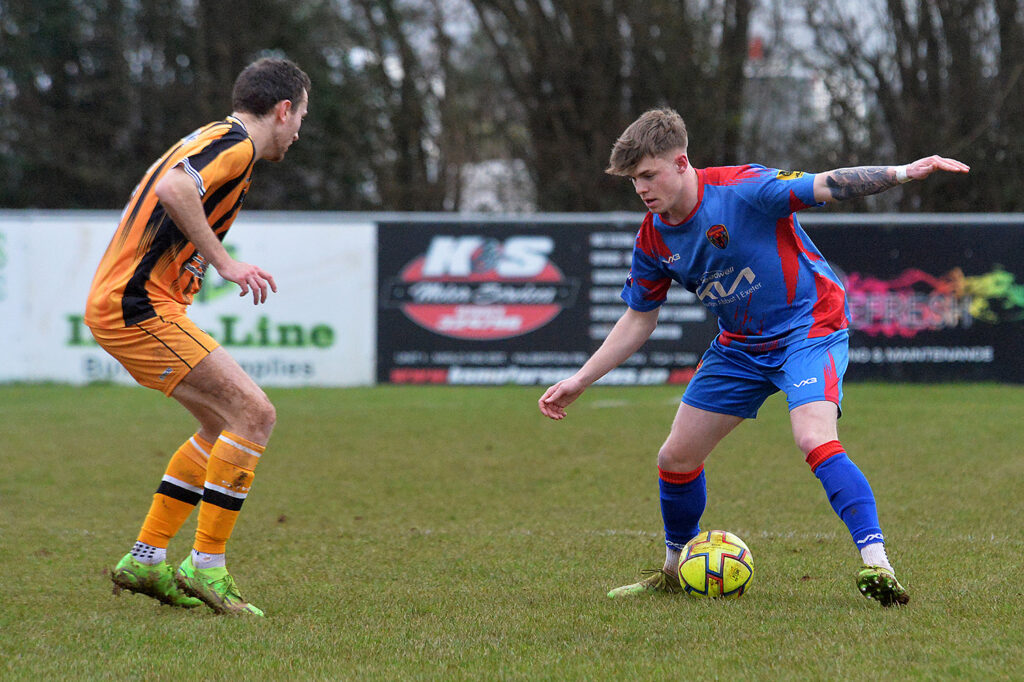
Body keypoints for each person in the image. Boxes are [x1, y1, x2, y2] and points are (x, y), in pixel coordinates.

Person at [538, 108, 969, 607]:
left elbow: (827, 184)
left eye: (649, 175)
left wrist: (902, 172)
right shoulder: (653, 236)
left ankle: (878, 566)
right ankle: (674, 572)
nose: (642, 189)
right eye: (635, 180)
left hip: (809, 329)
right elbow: (639, 318)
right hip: (740, 346)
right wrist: (581, 380)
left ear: (681, 163)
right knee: (675, 457)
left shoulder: (745, 189)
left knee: (812, 436)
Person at [86, 57, 310, 616]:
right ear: (282, 110)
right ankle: (206, 566)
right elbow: (173, 188)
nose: (301, 130)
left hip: (135, 303)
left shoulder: (218, 139)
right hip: (137, 306)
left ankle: (145, 558)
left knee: (221, 424)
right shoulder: (234, 146)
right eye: (302, 115)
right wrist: (225, 264)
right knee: (255, 414)